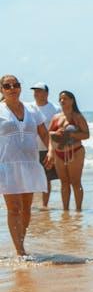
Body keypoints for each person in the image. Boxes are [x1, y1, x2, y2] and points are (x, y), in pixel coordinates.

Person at [0, 74, 50, 255]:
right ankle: (20, 251)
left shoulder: (32, 109)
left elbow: (44, 133)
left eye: (16, 85)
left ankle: (21, 241)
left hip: (30, 164)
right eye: (7, 86)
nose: (12, 88)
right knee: (14, 208)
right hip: (7, 165)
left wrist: (51, 150)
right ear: (2, 90)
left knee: (26, 209)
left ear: (20, 88)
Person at [48, 91, 90, 211]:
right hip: (59, 153)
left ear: (72, 101)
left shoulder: (77, 117)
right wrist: (56, 134)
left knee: (76, 182)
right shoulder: (56, 117)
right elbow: (49, 134)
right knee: (64, 183)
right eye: (60, 99)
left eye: (65, 99)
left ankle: (78, 210)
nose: (62, 101)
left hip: (75, 151)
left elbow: (87, 135)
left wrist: (71, 134)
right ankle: (65, 210)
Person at [27, 82, 60, 207]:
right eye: (35, 91)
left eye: (39, 90)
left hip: (48, 149)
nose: (36, 93)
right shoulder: (29, 108)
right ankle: (30, 205)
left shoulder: (55, 109)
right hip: (31, 149)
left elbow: (60, 127)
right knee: (30, 179)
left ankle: (44, 206)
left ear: (46, 93)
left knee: (46, 179)